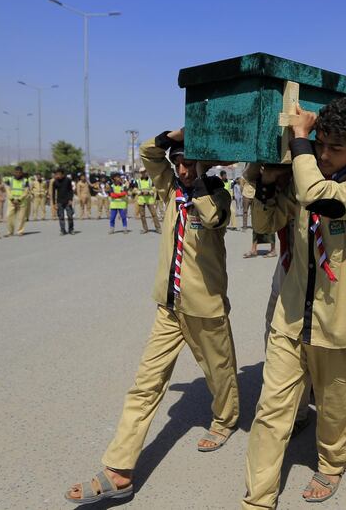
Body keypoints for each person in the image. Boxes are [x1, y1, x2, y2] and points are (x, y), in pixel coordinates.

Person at [64, 128, 239, 505]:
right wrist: (171, 136)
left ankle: (225, 419)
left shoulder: (219, 194)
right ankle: (119, 470)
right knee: (145, 384)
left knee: (219, 371)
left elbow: (211, 219)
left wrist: (203, 179)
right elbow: (148, 154)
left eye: (190, 163)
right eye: (179, 163)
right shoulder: (169, 189)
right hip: (170, 306)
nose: (183, 169)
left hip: (205, 306)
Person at [243, 98, 346, 508]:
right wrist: (267, 183)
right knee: (271, 410)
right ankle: (258, 499)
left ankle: (332, 464)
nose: (323, 154)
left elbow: (319, 197)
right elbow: (267, 224)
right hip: (289, 317)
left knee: (335, 406)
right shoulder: (304, 181)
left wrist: (300, 138)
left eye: (335, 148)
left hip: (334, 321)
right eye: (321, 144)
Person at [5, 166, 30, 237]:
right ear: (14, 172)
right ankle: (10, 231)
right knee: (9, 216)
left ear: (22, 173)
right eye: (16, 172)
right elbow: (7, 190)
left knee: (21, 217)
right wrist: (12, 199)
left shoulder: (25, 181)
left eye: (20, 172)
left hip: (22, 201)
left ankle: (20, 231)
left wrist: (19, 199)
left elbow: (26, 191)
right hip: (11, 201)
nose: (18, 174)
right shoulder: (9, 180)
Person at [134, 167, 161, 233]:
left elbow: (154, 189)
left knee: (154, 214)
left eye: (144, 172)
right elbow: (135, 189)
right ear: (140, 173)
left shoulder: (151, 180)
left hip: (150, 199)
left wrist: (149, 192)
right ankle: (145, 229)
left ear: (147, 172)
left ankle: (158, 228)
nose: (143, 173)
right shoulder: (137, 181)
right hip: (141, 200)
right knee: (142, 215)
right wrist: (140, 192)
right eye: (142, 172)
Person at [52, 168, 75, 236]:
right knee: (61, 217)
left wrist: (71, 199)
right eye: (56, 174)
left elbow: (71, 190)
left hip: (68, 201)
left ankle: (71, 229)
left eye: (59, 174)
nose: (58, 175)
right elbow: (53, 193)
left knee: (70, 216)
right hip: (59, 202)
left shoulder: (68, 180)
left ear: (63, 174)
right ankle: (63, 230)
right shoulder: (55, 182)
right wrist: (54, 203)